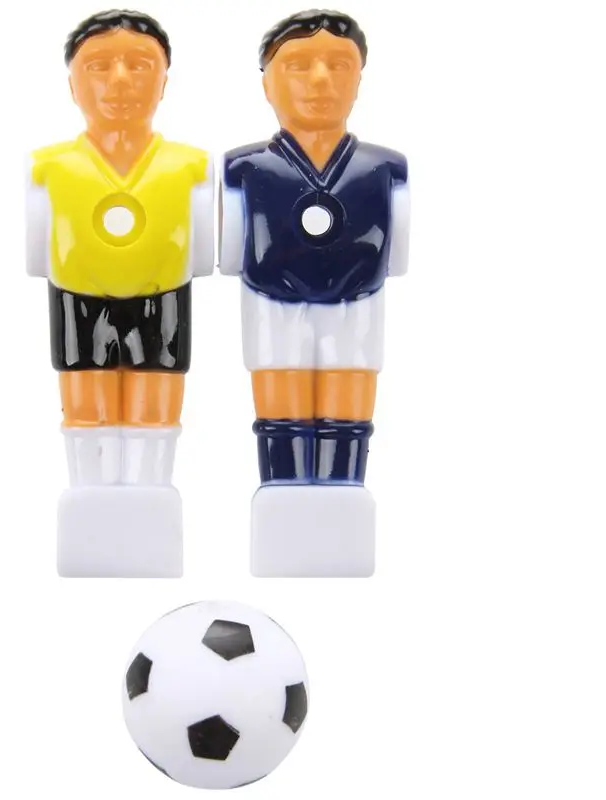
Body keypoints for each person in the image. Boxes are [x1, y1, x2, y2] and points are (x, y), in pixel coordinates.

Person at [219, 10, 410, 576]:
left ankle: (342, 497)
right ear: (267, 83)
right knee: (280, 415)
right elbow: (230, 251)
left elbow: (397, 254)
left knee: (346, 417)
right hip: (272, 308)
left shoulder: (383, 170)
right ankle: (282, 498)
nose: (321, 80)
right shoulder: (246, 169)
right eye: (299, 65)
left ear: (359, 80)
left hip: (358, 310)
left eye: (339, 65)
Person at [25, 10, 214, 577]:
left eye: (140, 65)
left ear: (165, 81)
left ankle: (151, 501)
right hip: (78, 303)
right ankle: (92, 503)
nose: (121, 80)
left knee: (154, 414)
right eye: (99, 66)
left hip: (164, 303)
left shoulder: (191, 168)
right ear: (72, 84)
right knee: (89, 413)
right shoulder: (49, 169)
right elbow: (37, 254)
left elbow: (201, 255)